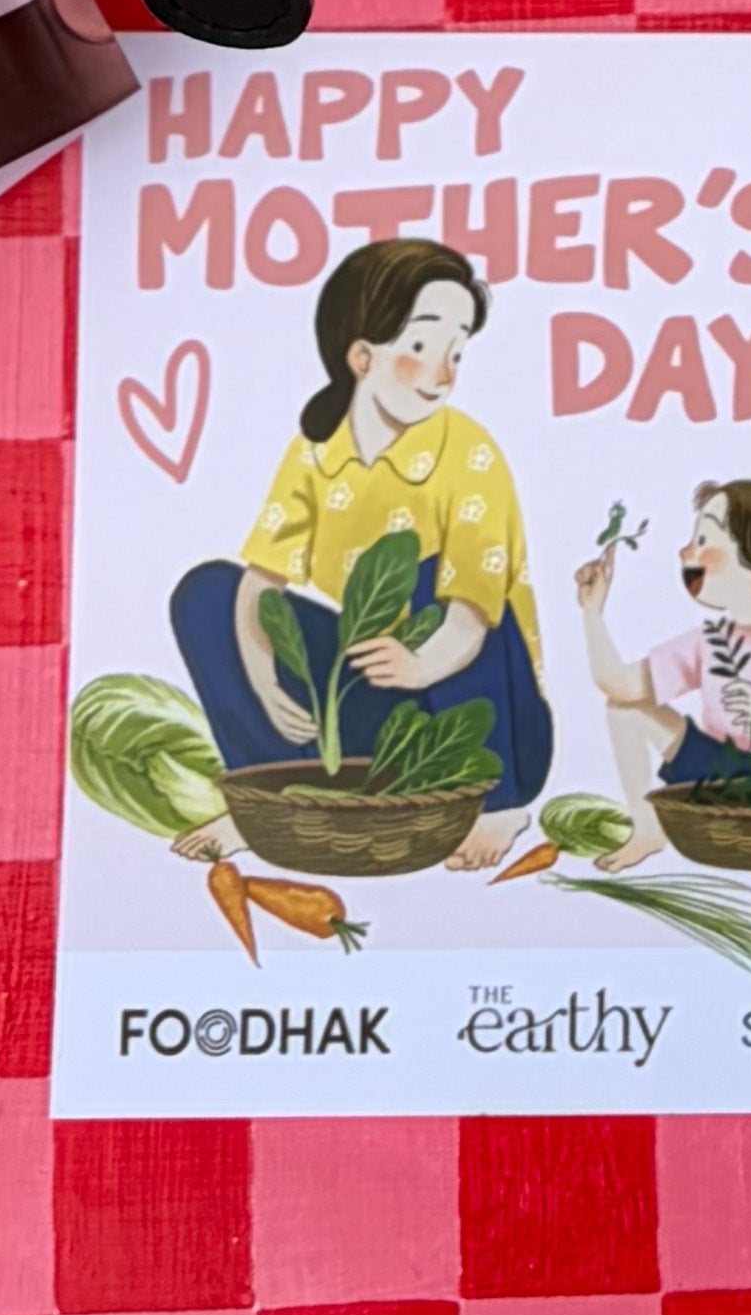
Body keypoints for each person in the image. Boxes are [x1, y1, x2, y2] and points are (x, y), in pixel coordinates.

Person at [173, 238, 553, 869]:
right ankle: (271, 792)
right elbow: (261, 586)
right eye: (423, 346)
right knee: (209, 592)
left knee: (430, 578)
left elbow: (471, 617)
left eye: (457, 352)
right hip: (379, 716)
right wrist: (264, 683)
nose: (444, 373)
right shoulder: (316, 450)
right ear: (361, 355)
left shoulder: (468, 450)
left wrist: (422, 666)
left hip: (489, 723)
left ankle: (497, 805)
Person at [572, 479, 751, 858]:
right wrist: (592, 612)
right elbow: (618, 686)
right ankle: (647, 829)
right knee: (623, 709)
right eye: (693, 538)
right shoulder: (705, 641)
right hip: (715, 770)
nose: (686, 551)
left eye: (704, 540)